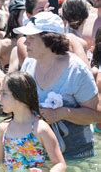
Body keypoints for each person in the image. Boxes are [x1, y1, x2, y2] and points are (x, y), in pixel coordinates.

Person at [14, 11, 101, 159]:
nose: (25, 42)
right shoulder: (29, 63)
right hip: (37, 153)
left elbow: (96, 115)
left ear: (49, 40)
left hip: (75, 157)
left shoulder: (75, 69)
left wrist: (62, 113)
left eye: (31, 37)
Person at [0, 72, 66, 171]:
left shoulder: (40, 128)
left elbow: (60, 164)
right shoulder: (3, 128)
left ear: (19, 95)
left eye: (4, 93)